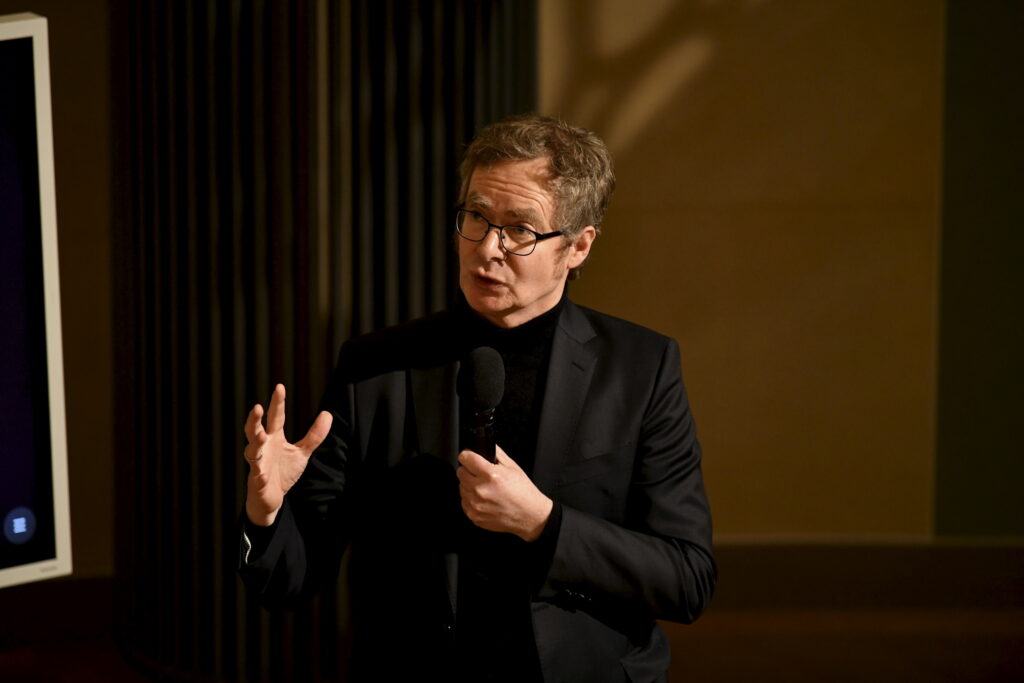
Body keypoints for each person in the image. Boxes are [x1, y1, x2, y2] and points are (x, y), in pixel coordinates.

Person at [238, 114, 715, 682]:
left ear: (579, 246)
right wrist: (266, 513)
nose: (488, 248)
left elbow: (686, 580)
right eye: (476, 217)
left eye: (520, 229)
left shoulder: (640, 368)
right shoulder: (376, 367)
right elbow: (291, 582)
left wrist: (544, 524)